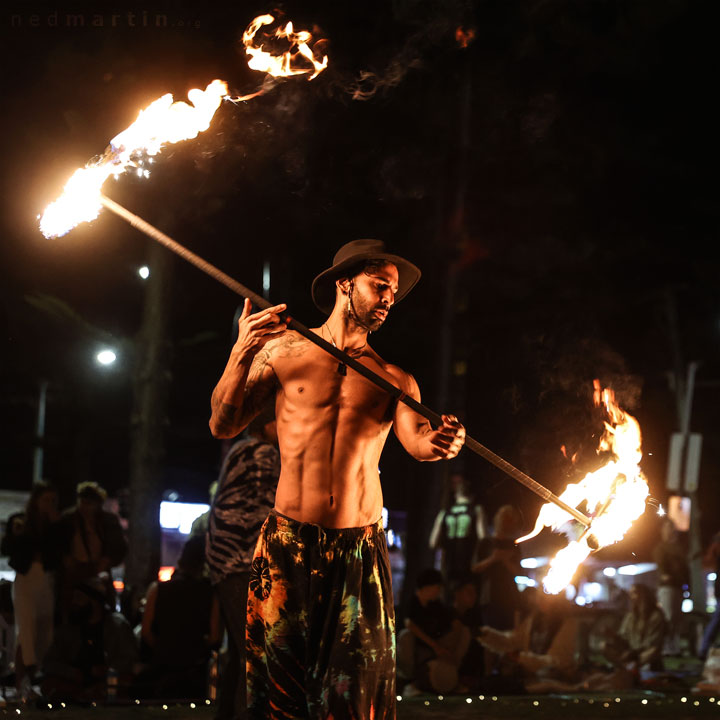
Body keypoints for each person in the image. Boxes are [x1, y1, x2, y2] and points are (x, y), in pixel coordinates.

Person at [208, 238, 465, 719]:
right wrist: (242, 350)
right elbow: (223, 424)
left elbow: (419, 444)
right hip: (288, 543)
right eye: (380, 286)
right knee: (281, 695)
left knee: (354, 697)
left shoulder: (394, 379)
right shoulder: (284, 351)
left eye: (393, 292)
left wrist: (445, 442)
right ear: (345, 283)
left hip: (357, 550)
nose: (389, 298)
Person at [206, 406, 280, 720]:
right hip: (242, 560)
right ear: (265, 426)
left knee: (239, 653)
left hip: (224, 560)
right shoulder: (263, 453)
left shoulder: (241, 451)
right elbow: (269, 506)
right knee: (255, 653)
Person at [139, 535, 221, 699]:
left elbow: (146, 632)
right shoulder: (210, 594)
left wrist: (164, 648)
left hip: (161, 668)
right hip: (194, 670)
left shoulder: (157, 589)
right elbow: (214, 637)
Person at [1, 481, 61, 701]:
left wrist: (55, 527)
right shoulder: (22, 521)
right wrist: (17, 534)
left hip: (46, 579)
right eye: (46, 500)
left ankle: (30, 678)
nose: (49, 504)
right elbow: (7, 548)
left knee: (44, 633)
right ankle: (22, 683)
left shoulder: (55, 524)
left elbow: (57, 553)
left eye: (53, 500)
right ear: (36, 501)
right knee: (26, 630)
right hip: (26, 578)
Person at [57, 482, 128, 621]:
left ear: (97, 504)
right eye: (82, 502)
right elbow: (58, 545)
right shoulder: (68, 519)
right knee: (71, 615)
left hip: (99, 573)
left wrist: (107, 560)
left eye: (89, 503)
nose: (85, 507)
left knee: (102, 615)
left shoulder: (108, 521)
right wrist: (65, 559)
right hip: (74, 574)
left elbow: (120, 547)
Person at [396, 568, 470, 695]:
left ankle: (451, 674)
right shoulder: (411, 603)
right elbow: (410, 625)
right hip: (416, 649)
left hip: (434, 648)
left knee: (464, 632)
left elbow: (451, 622)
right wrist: (435, 646)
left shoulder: (435, 605)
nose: (438, 591)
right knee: (405, 635)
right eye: (437, 587)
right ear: (428, 587)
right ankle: (410, 679)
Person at [428, 473, 486, 587]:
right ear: (472, 495)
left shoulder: (444, 512)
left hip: (448, 562)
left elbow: (433, 542)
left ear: (456, 494)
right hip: (469, 562)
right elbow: (483, 537)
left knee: (449, 594)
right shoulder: (476, 510)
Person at [652, 518, 688, 655]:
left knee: (677, 618)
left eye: (671, 528)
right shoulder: (661, 548)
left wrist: (686, 585)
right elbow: (662, 567)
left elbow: (685, 568)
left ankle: (674, 647)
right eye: (667, 528)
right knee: (668, 617)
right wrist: (666, 574)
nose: (669, 531)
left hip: (678, 586)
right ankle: (665, 646)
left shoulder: (679, 547)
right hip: (667, 587)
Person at [699, 531, 720, 660]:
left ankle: (704, 649)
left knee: (717, 619)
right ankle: (704, 649)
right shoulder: (717, 543)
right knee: (717, 619)